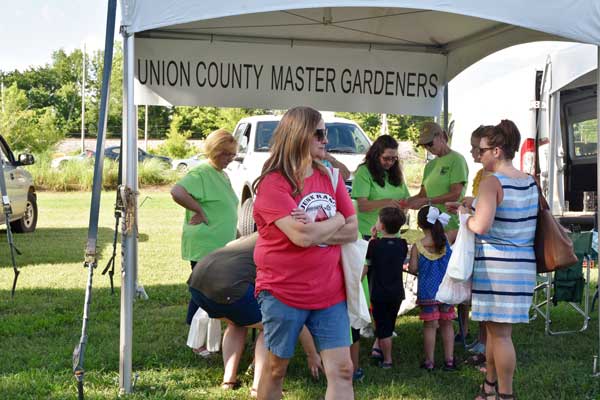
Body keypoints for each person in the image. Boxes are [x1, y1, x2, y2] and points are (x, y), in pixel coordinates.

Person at [252, 106, 358, 400]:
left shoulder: (331, 177)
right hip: (283, 291)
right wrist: (336, 219)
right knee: (276, 369)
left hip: (329, 292)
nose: (326, 140)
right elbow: (302, 237)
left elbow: (352, 230)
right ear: (299, 136)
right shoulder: (274, 184)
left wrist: (318, 228)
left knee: (343, 370)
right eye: (319, 134)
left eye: (326, 133)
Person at [188, 233, 326, 397]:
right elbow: (293, 320)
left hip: (197, 285)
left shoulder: (259, 235)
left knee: (237, 322)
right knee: (272, 325)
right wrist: (312, 355)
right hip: (228, 288)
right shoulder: (288, 246)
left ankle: (228, 380)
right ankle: (258, 387)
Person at [458, 120, 538, 400]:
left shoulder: (492, 182)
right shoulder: (529, 181)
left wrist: (465, 218)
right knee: (495, 332)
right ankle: (489, 387)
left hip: (497, 268)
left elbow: (481, 225)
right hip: (522, 266)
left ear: (497, 150)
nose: (478, 155)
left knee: (501, 336)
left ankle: (505, 394)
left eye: (482, 150)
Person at [171, 128, 239, 353]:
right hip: (205, 244)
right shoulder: (201, 172)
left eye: (232, 154)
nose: (230, 158)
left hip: (220, 244)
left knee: (211, 291)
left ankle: (205, 337)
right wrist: (198, 210)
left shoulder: (222, 173)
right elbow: (177, 191)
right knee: (203, 292)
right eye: (225, 154)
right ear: (214, 151)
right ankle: (196, 342)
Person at [350, 134, 410, 370]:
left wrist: (405, 205)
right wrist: (387, 203)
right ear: (376, 154)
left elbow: (405, 198)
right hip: (369, 236)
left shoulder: (395, 174)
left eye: (394, 159)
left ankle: (380, 335)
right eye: (386, 158)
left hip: (392, 236)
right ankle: (372, 326)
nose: (390, 163)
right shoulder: (364, 172)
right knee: (372, 288)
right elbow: (362, 204)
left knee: (388, 287)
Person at [455, 125, 494, 366]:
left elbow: (484, 214)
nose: (473, 152)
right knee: (479, 295)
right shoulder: (481, 175)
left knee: (487, 299)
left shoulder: (494, 178)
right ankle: (482, 340)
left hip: (487, 244)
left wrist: (469, 209)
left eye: (477, 148)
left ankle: (487, 346)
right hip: (479, 242)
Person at [408, 206, 456, 372]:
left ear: (420, 225)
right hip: (446, 291)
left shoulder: (418, 246)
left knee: (430, 326)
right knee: (447, 324)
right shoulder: (446, 240)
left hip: (428, 292)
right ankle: (449, 360)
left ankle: (429, 361)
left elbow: (413, 268)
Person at [407, 122, 468, 240]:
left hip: (451, 225)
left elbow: (456, 194)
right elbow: (423, 195)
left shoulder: (457, 160)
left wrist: (427, 201)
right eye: (424, 145)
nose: (428, 148)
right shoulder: (430, 165)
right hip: (432, 227)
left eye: (430, 143)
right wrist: (406, 202)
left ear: (441, 136)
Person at [364, 207, 408, 369]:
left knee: (383, 329)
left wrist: (373, 238)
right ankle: (378, 347)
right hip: (397, 293)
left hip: (379, 293)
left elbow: (367, 257)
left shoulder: (374, 245)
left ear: (381, 226)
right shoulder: (402, 244)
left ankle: (388, 360)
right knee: (389, 323)